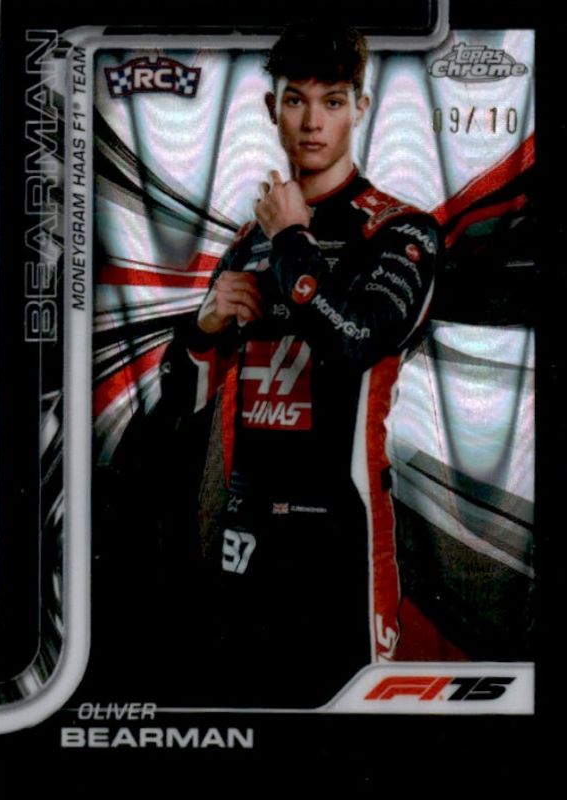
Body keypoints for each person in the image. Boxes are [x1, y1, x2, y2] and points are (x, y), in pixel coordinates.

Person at [160, 21, 440, 707]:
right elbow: (183, 401)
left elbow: (357, 342)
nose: (313, 122)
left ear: (360, 109)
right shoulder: (247, 241)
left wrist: (291, 237)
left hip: (340, 533)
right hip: (246, 527)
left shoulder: (400, 231)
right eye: (296, 100)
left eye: (333, 100)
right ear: (272, 109)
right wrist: (203, 328)